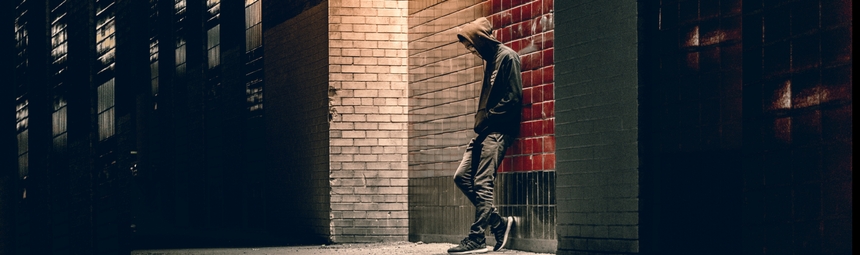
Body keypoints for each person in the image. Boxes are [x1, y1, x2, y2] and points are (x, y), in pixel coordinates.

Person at [447, 17, 523, 254]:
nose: (470, 50)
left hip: (498, 132)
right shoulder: (490, 61)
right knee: (461, 177)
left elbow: (514, 98)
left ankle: (477, 237)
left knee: (482, 182)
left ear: (481, 39)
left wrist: (488, 117)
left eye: (471, 44)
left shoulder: (507, 57)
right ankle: (498, 223)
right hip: (484, 131)